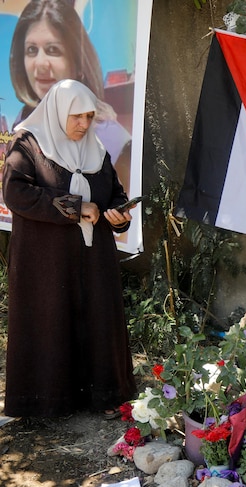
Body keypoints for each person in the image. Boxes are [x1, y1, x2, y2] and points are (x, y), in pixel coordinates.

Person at [1, 79, 135, 417]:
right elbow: (16, 193)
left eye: (89, 116)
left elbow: (115, 195)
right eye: (77, 117)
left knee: (97, 319)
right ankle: (46, 401)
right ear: (58, 112)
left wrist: (119, 216)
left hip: (94, 259)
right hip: (46, 262)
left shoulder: (96, 151)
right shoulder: (28, 147)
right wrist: (75, 207)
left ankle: (102, 396)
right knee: (51, 319)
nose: (84, 124)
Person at [8, 0, 132, 189]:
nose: (40, 63)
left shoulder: (111, 138)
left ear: (78, 63)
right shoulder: (24, 121)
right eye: (32, 50)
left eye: (52, 50)